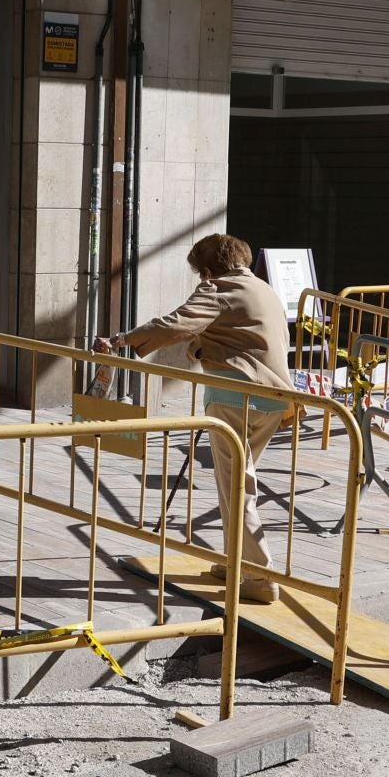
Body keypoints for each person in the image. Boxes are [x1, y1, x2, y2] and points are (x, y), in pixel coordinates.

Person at [96, 234, 290, 604]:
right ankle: (237, 561)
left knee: (236, 487)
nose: (201, 279)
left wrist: (122, 340)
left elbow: (176, 324)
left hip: (235, 397)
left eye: (200, 273)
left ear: (207, 270)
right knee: (236, 483)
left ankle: (260, 576)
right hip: (275, 400)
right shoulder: (264, 290)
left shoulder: (218, 289)